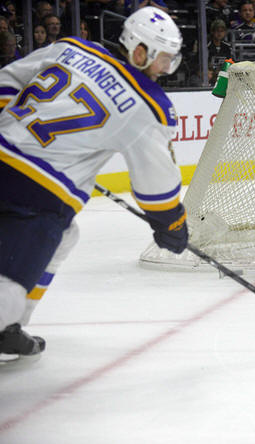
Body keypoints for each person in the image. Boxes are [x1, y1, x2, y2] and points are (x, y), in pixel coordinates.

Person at [0, 7, 188, 359]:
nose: (166, 68)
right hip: (37, 194)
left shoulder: (71, 47)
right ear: (139, 51)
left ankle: (11, 329)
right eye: (163, 59)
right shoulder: (147, 104)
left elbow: (8, 78)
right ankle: (6, 322)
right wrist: (172, 223)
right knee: (7, 290)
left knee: (67, 237)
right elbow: (156, 187)